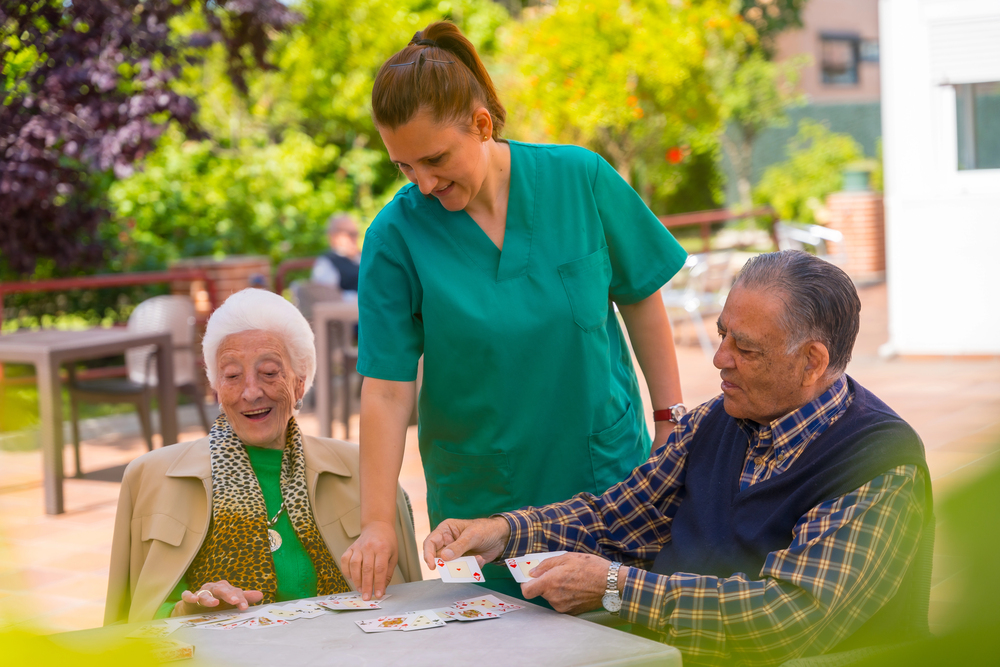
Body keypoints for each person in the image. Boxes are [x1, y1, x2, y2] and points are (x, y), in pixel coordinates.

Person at [423, 250, 934, 666]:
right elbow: (615, 520)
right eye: (722, 334)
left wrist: (617, 588)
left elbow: (788, 620)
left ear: (812, 362)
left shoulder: (878, 463)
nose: (720, 358)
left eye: (747, 349)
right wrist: (502, 531)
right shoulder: (719, 419)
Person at [343, 21, 689, 601]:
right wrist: (376, 521)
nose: (422, 184)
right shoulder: (394, 237)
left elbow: (641, 300)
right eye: (403, 167)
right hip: (483, 500)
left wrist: (670, 422)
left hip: (605, 475)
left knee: (624, 637)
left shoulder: (581, 179)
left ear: (481, 125)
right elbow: (385, 388)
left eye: (434, 159)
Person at [104, 288, 420, 624]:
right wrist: (189, 611)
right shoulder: (151, 479)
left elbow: (407, 605)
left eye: (269, 372)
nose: (251, 392)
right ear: (216, 387)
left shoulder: (366, 472)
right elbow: (135, 625)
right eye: (232, 376)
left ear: (299, 383)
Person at [311, 214, 362, 301]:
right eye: (350, 234)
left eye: (355, 233)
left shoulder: (364, 257)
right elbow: (328, 299)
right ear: (333, 236)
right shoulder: (326, 263)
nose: (354, 238)